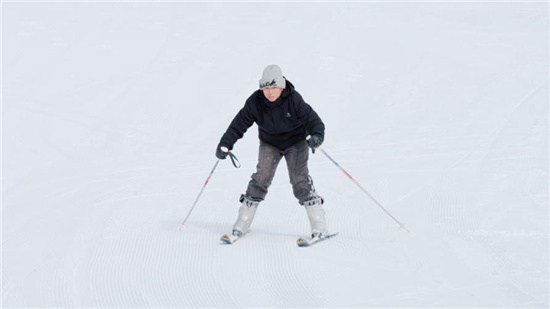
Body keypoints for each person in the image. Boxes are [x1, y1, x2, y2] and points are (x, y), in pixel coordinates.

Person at [216, 64, 328, 239]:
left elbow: (313, 120)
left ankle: (319, 225)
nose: (269, 92)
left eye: (273, 87)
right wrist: (225, 144)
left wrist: (316, 135)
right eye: (266, 87)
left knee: (299, 180)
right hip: (270, 144)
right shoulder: (255, 102)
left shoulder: (293, 99)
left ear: (281, 86)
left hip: (296, 143)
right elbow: (239, 124)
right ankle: (243, 222)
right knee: (261, 178)